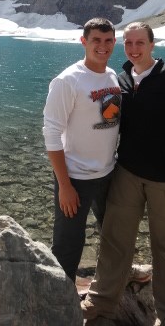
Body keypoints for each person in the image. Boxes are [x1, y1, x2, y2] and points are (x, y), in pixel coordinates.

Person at [81, 22, 165, 326]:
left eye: (140, 43)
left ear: (152, 44)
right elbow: (109, 122)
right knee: (115, 240)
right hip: (127, 173)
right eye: (128, 43)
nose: (134, 49)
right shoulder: (120, 79)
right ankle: (99, 305)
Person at [42, 17, 121, 283]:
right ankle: (61, 298)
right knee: (68, 243)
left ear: (114, 42)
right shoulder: (68, 81)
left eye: (108, 40)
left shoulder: (112, 76)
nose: (103, 46)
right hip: (76, 178)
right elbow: (51, 134)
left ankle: (107, 287)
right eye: (96, 40)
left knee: (112, 233)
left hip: (108, 174)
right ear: (84, 41)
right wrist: (64, 185)